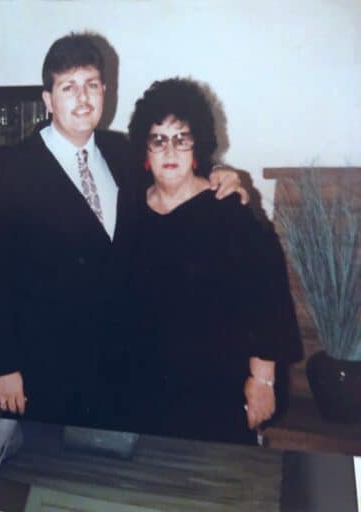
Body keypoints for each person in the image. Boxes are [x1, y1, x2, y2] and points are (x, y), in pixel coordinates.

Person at [0, 33, 243, 428]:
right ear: (49, 99)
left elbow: (176, 170)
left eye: (91, 85)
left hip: (121, 364)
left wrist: (219, 172)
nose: (82, 98)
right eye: (68, 87)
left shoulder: (124, 153)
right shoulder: (9, 169)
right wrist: (2, 366)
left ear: (104, 90)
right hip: (44, 367)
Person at [127, 78, 303, 444]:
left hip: (218, 389)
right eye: (158, 139)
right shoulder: (131, 210)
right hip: (148, 387)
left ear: (198, 146)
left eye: (182, 138)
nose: (170, 150)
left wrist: (263, 380)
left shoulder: (229, 209)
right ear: (145, 149)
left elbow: (268, 298)